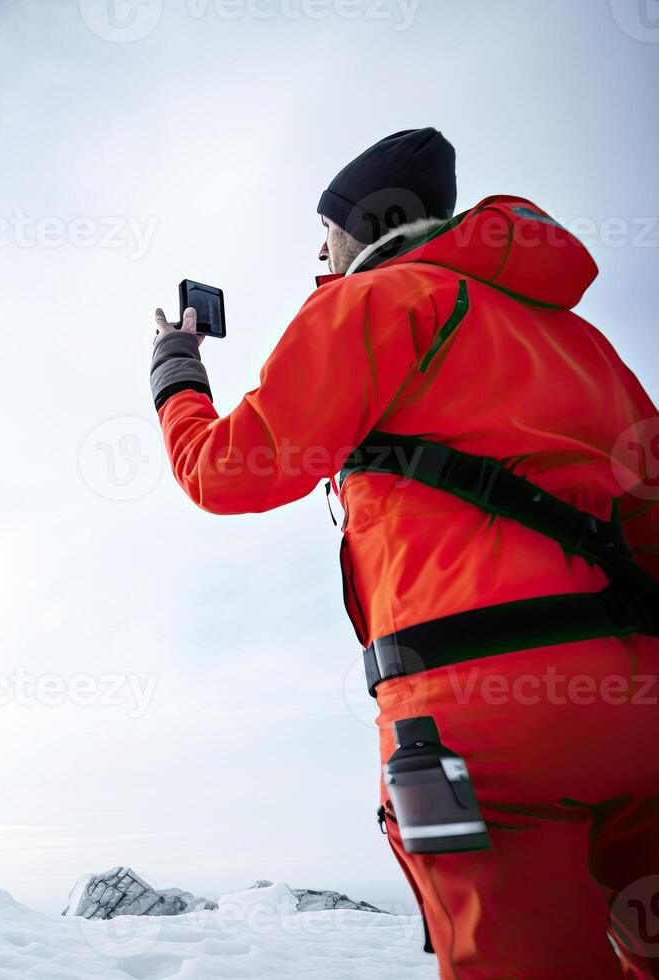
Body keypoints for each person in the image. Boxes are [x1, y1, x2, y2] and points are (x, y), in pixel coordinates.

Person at [150, 128, 659, 978]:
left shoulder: (370, 305)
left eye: (327, 226)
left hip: (479, 720)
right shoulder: (591, 348)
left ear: (369, 223)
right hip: (638, 707)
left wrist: (176, 375)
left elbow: (227, 472)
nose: (319, 247)